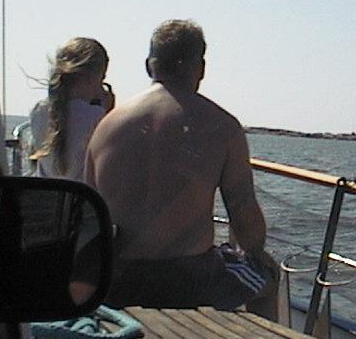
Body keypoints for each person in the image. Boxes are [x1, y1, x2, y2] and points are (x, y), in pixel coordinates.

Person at [84, 19, 278, 318]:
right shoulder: (223, 126)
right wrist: (257, 252)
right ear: (200, 68)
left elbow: (88, 211)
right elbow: (244, 215)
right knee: (268, 276)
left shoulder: (107, 126)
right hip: (189, 282)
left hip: (117, 280)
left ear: (149, 66)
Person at [29, 37, 114, 181]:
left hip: (48, 193)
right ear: (90, 78)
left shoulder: (38, 111)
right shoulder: (95, 116)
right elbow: (107, 165)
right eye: (102, 79)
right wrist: (110, 115)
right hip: (82, 194)